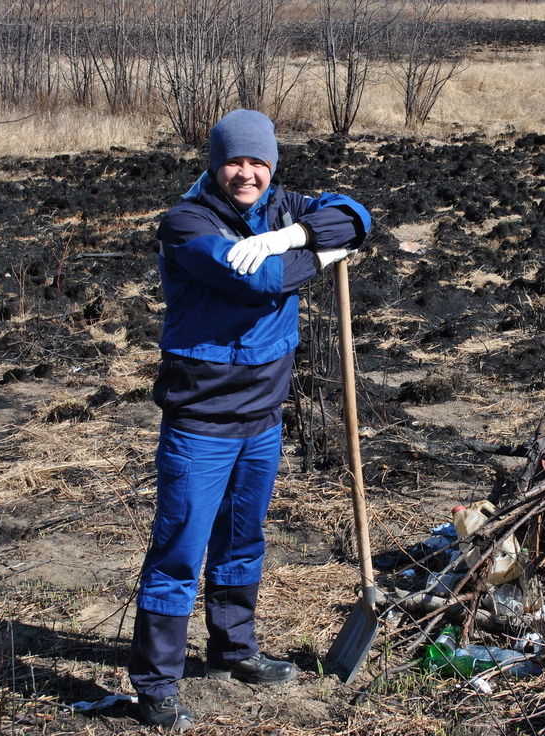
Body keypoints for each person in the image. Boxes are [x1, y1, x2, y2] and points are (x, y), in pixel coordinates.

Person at [129, 109, 371, 731]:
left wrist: (292, 235)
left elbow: (355, 216)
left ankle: (234, 650)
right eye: (235, 161)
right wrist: (319, 258)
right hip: (201, 422)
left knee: (243, 542)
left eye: (258, 162)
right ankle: (156, 684)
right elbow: (256, 280)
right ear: (215, 164)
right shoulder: (186, 222)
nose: (247, 173)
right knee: (180, 552)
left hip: (263, 417)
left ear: (271, 165)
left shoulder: (283, 204)